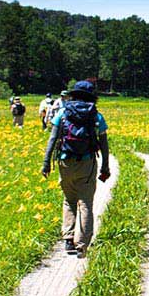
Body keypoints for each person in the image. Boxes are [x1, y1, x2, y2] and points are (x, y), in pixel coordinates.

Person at [41, 80, 111, 258]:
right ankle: (82, 245)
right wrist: (105, 166)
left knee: (69, 200)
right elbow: (103, 144)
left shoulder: (63, 114)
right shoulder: (96, 116)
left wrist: (46, 163)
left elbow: (52, 139)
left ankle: (68, 238)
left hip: (65, 162)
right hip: (87, 163)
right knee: (85, 203)